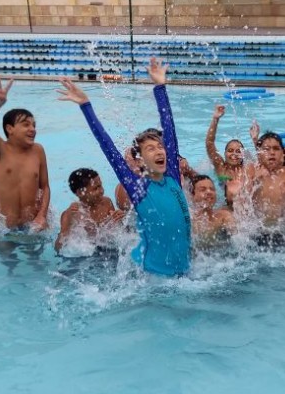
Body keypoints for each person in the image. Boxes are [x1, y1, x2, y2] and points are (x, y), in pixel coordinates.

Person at [58, 57, 192, 277]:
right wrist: (86, 106)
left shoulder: (173, 177)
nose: (159, 151)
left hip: (185, 271)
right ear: (140, 160)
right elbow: (108, 147)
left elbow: (169, 127)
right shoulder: (138, 188)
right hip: (155, 277)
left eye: (161, 147)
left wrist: (160, 87)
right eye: (151, 149)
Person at [0, 78, 51, 231]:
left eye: (34, 125)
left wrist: (42, 215)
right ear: (10, 129)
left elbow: (45, 187)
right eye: (26, 125)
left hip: (33, 227)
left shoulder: (38, 151)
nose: (32, 129)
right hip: (2, 230)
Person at [55, 168, 126, 252]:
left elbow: (119, 233)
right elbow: (58, 248)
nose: (101, 191)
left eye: (101, 186)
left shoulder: (106, 203)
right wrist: (68, 225)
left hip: (106, 249)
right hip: (84, 254)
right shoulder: (70, 214)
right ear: (80, 192)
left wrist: (120, 219)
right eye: (96, 188)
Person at [243, 131, 285, 231]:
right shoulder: (252, 171)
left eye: (276, 148)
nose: (272, 152)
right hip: (257, 227)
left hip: (283, 226)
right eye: (266, 149)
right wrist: (255, 181)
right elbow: (243, 205)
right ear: (259, 155)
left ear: (283, 154)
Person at [205, 104, 248, 208]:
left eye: (238, 151)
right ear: (224, 154)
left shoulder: (246, 170)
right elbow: (209, 143)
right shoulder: (221, 167)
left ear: (243, 155)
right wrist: (215, 119)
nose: (234, 154)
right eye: (230, 150)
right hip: (222, 202)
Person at [188, 174, 235, 247]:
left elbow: (239, 238)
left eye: (212, 189)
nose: (209, 192)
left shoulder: (223, 217)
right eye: (203, 190)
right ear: (192, 195)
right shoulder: (189, 221)